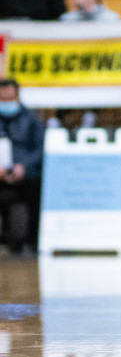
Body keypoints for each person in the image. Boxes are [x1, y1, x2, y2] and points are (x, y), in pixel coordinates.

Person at [0, 78, 45, 254]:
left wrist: (24, 166)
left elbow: (40, 147)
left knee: (35, 189)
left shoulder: (31, 118)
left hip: (25, 171)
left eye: (9, 98)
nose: (6, 102)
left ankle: (32, 240)